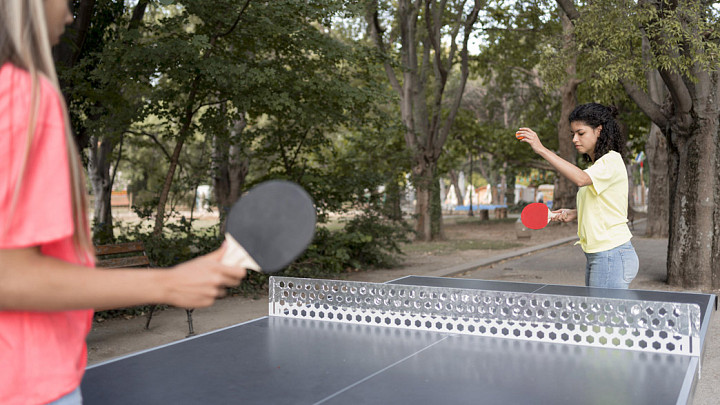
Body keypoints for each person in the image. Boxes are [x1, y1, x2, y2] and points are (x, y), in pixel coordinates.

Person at [0, 1, 247, 404]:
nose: (68, 15)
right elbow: (7, 277)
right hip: (25, 385)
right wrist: (168, 282)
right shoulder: (22, 97)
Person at [516, 103, 639, 289]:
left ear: (599, 130)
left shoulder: (611, 160)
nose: (575, 139)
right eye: (573, 134)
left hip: (611, 254)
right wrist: (574, 213)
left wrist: (541, 149)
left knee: (600, 317)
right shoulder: (597, 167)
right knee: (596, 316)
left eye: (580, 133)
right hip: (600, 255)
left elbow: (581, 179)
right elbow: (604, 206)